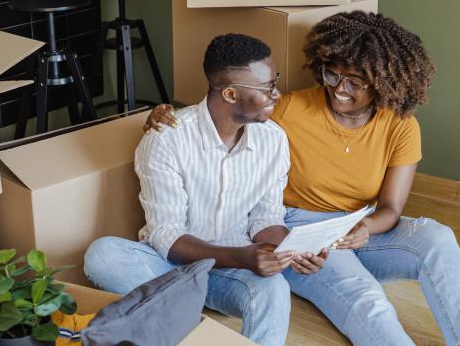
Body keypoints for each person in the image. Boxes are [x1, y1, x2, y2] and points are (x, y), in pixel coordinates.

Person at [143, 11, 460, 346]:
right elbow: (229, 106)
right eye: (332, 74)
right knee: (366, 297)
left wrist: (365, 229)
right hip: (299, 228)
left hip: (360, 227)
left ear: (383, 83)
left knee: (438, 238)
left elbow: (391, 208)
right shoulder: (291, 109)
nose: (339, 88)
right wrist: (164, 113)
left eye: (354, 81)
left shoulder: (400, 126)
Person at [84, 34, 329, 346]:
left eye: (274, 82)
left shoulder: (274, 140)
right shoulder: (166, 138)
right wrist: (241, 256)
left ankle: (174, 313)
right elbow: (166, 234)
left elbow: (266, 218)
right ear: (229, 93)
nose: (276, 94)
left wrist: (296, 249)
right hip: (167, 267)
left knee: (274, 289)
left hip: (227, 273)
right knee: (102, 254)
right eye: (267, 87)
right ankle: (183, 317)